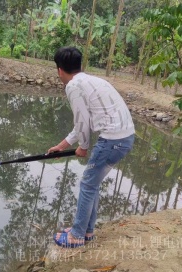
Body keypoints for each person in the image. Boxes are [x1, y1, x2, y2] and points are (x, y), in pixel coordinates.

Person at [48, 46, 135, 248]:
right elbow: (82, 123)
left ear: (60, 70)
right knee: (92, 183)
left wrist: (84, 147)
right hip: (124, 138)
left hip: (113, 140)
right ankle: (86, 231)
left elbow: (82, 122)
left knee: (87, 184)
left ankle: (77, 236)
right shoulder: (92, 80)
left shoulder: (73, 86)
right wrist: (61, 146)